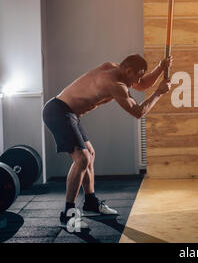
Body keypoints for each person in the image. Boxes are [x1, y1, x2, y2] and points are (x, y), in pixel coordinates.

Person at [42, 54, 173, 229]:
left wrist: (160, 68)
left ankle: (90, 202)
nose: (139, 79)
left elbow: (141, 85)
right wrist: (158, 93)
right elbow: (139, 112)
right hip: (58, 112)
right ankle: (68, 213)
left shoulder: (114, 69)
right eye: (138, 75)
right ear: (128, 71)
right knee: (82, 159)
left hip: (68, 112)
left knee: (90, 154)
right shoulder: (115, 85)